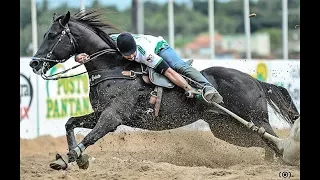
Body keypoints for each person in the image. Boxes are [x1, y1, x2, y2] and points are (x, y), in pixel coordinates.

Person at [75, 32, 223, 104]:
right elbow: (92, 50)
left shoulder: (146, 55)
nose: (132, 56)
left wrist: (187, 87)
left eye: (133, 53)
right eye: (127, 55)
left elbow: (170, 73)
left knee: (178, 66)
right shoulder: (112, 42)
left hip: (159, 48)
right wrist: (79, 57)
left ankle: (207, 87)